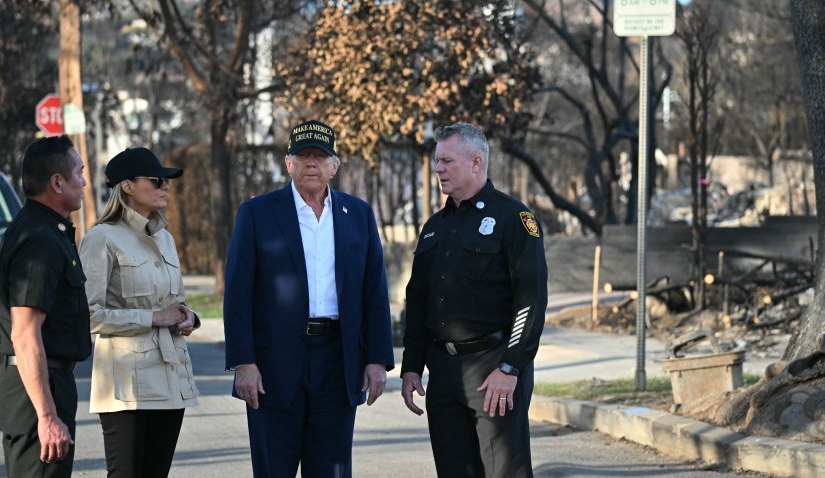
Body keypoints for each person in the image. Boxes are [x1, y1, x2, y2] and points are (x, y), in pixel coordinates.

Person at [224, 119, 394, 477]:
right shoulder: (257, 214)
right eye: (303, 156)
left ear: (335, 165)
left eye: (321, 156)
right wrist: (243, 362)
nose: (312, 164)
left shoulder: (358, 214)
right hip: (273, 367)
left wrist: (377, 359)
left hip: (338, 362)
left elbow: (374, 292)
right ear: (289, 163)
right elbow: (238, 294)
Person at [401, 123, 548, 477]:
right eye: (438, 161)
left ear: (476, 162)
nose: (438, 169)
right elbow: (418, 299)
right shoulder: (435, 226)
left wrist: (510, 367)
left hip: (493, 369)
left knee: (503, 472)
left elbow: (530, 299)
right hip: (445, 372)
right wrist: (411, 366)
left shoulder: (514, 218)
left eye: (447, 161)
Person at [78, 147, 199, 477]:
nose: (166, 186)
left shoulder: (165, 239)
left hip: (171, 378)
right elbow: (88, 315)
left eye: (167, 181)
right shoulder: (101, 238)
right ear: (127, 186)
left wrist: (188, 317)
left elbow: (177, 301)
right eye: (157, 180)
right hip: (126, 387)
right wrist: (152, 318)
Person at [0, 135, 90, 478]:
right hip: (36, 393)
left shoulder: (46, 230)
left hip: (44, 384)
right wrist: (46, 416)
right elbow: (25, 333)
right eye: (79, 172)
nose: (84, 181)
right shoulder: (39, 241)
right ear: (57, 182)